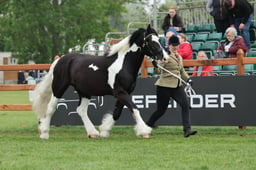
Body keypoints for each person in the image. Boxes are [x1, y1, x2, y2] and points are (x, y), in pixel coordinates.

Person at [147, 35, 197, 138]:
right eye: (173, 45)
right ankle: (147, 125)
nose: (175, 47)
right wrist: (156, 65)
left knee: (185, 105)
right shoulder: (165, 55)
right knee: (161, 110)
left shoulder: (179, 56)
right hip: (164, 86)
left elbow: (181, 71)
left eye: (177, 45)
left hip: (177, 86)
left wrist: (188, 79)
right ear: (169, 45)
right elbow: (158, 70)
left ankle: (187, 130)